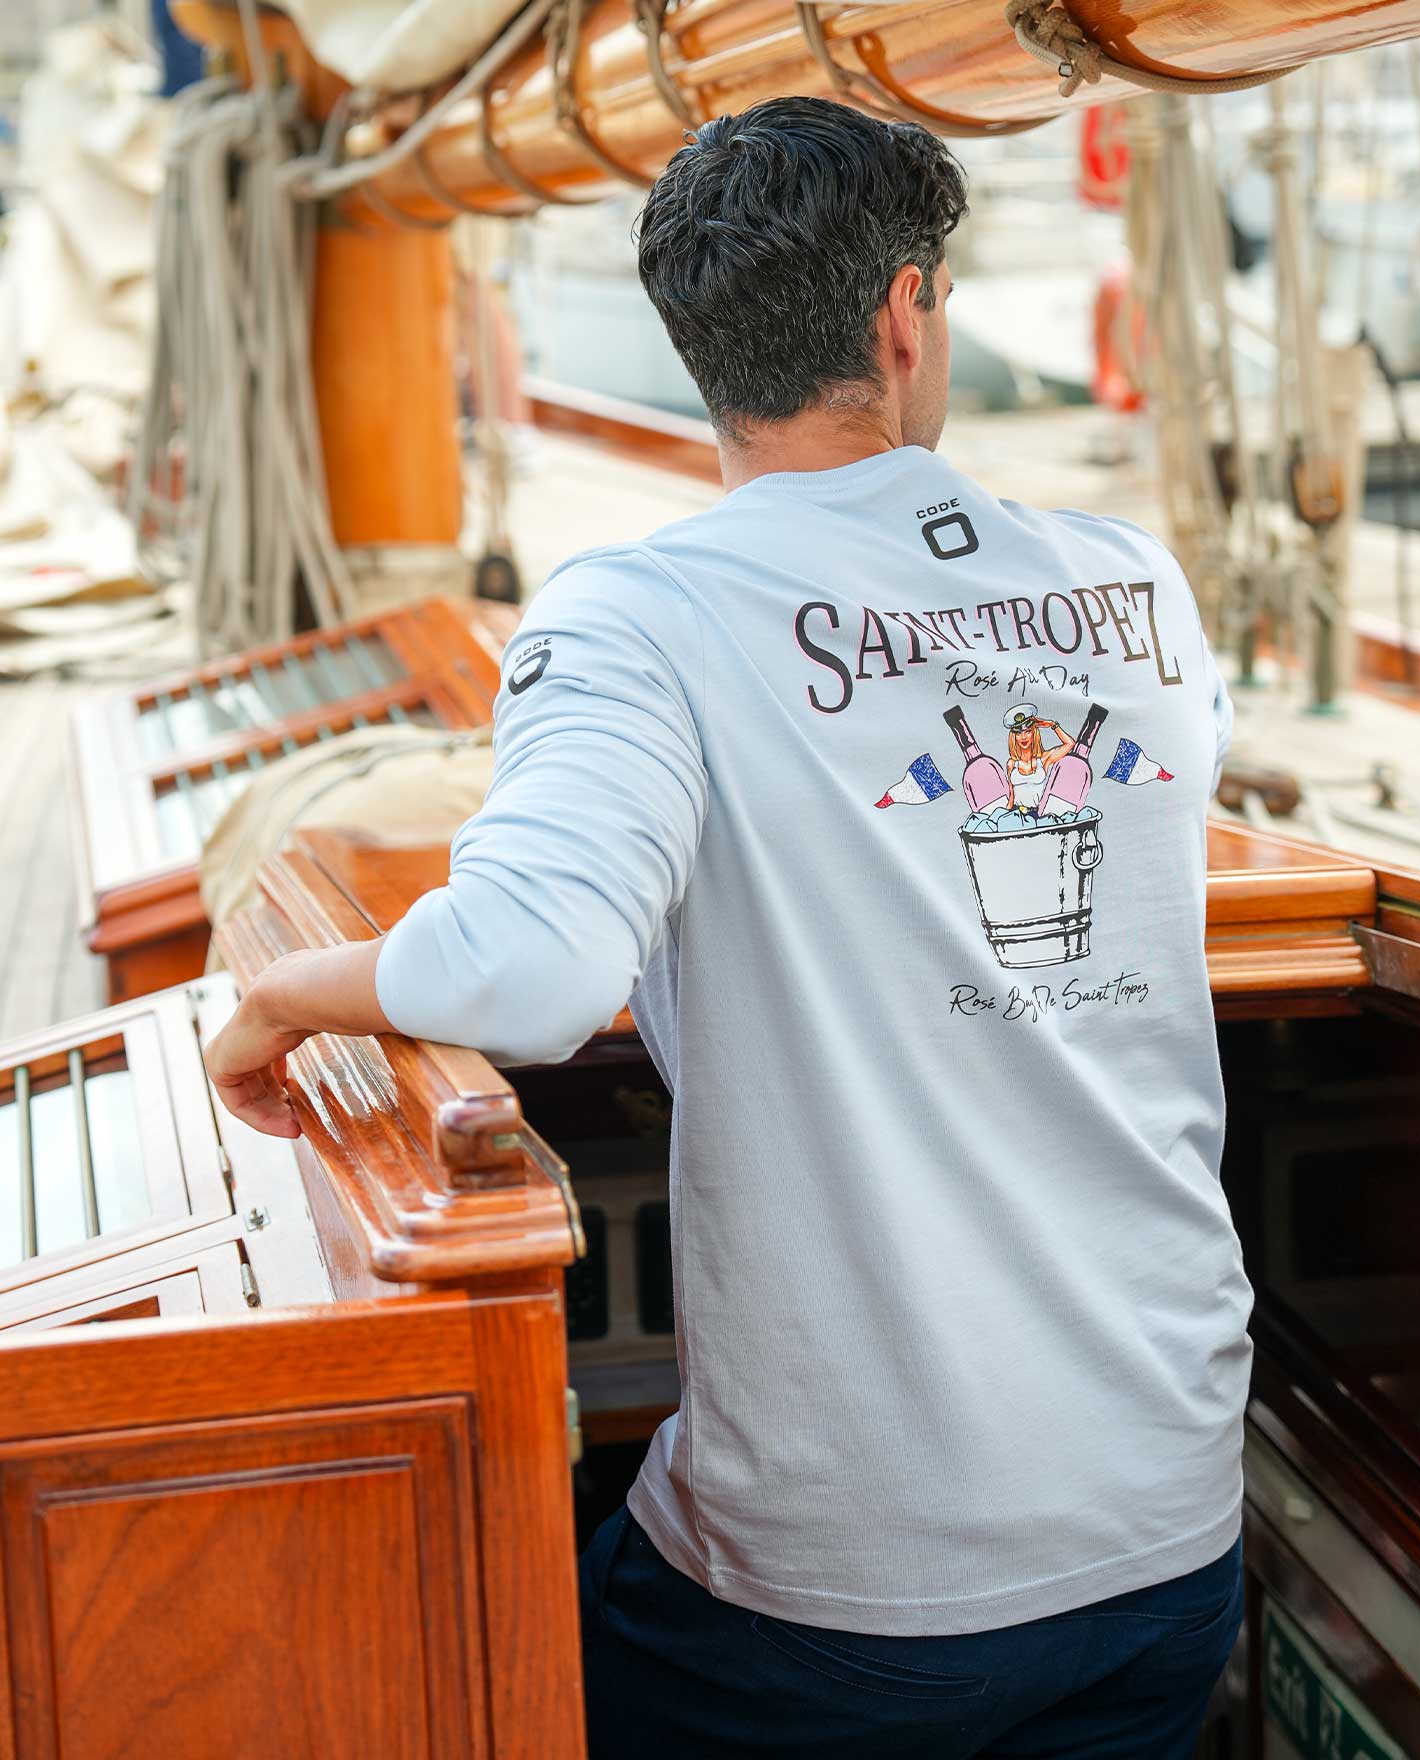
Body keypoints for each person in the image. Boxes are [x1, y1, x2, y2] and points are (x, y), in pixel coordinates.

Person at [203, 96, 1249, 1760]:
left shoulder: (645, 616)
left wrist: (284, 994)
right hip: (1172, 1534)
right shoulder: (1140, 588)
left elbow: (531, 972)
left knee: (505, 1666)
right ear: (906, 313)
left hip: (841, 1604)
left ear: (696, 343)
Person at [1002, 702, 1067, 813]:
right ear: (1014, 737)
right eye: (1019, 733)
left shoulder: (1043, 759)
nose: (1023, 737)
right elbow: (1011, 797)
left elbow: (1069, 744)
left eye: (1028, 732)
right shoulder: (1011, 764)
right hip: (1015, 814)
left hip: (1037, 814)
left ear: (1034, 733)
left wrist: (1052, 724)